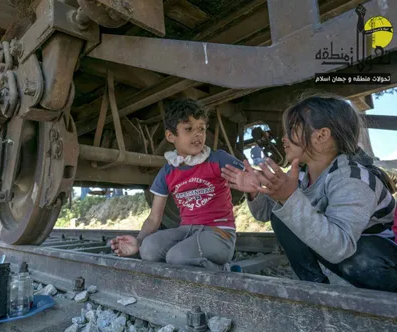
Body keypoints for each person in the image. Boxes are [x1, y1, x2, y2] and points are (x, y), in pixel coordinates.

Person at [221, 94, 397, 292]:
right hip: (343, 257)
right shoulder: (302, 174)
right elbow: (266, 214)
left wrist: (289, 198)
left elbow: (340, 247)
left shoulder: (353, 179)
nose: (283, 138)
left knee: (362, 255)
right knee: (285, 216)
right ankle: (315, 290)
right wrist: (255, 191)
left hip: (378, 263)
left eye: (292, 130)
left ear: (321, 136)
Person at [110, 99, 244, 271]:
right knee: (148, 250)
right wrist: (139, 241)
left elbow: (248, 175)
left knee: (177, 257)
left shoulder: (218, 159)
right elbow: (154, 218)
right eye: (188, 129)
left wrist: (249, 180)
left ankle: (224, 270)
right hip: (187, 230)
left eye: (201, 128)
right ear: (170, 136)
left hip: (219, 233)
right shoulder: (168, 172)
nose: (198, 134)